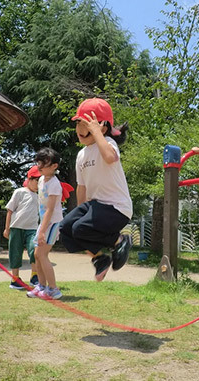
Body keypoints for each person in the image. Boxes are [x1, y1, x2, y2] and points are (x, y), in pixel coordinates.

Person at [59, 98, 133, 282]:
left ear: (103, 128)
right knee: (67, 228)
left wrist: (98, 134)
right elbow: (81, 187)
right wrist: (81, 213)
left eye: (86, 125)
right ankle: (99, 258)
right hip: (96, 206)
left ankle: (119, 240)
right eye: (78, 124)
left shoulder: (108, 143)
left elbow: (109, 157)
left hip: (117, 208)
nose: (80, 130)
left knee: (80, 228)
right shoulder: (81, 155)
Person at [26, 148, 64, 300]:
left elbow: (50, 209)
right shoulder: (41, 180)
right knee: (36, 255)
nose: (40, 166)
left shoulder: (54, 184)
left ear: (54, 166)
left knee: (41, 254)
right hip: (44, 223)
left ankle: (53, 289)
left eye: (44, 163)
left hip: (52, 223)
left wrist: (42, 230)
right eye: (39, 162)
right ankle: (41, 286)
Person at [3, 165, 40, 289]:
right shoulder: (19, 192)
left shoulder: (40, 196)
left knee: (34, 250)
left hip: (32, 228)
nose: (38, 184)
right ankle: (15, 279)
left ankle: (34, 276)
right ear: (29, 179)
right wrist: (7, 228)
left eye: (41, 181)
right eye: (36, 180)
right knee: (15, 252)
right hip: (16, 227)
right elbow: (10, 210)